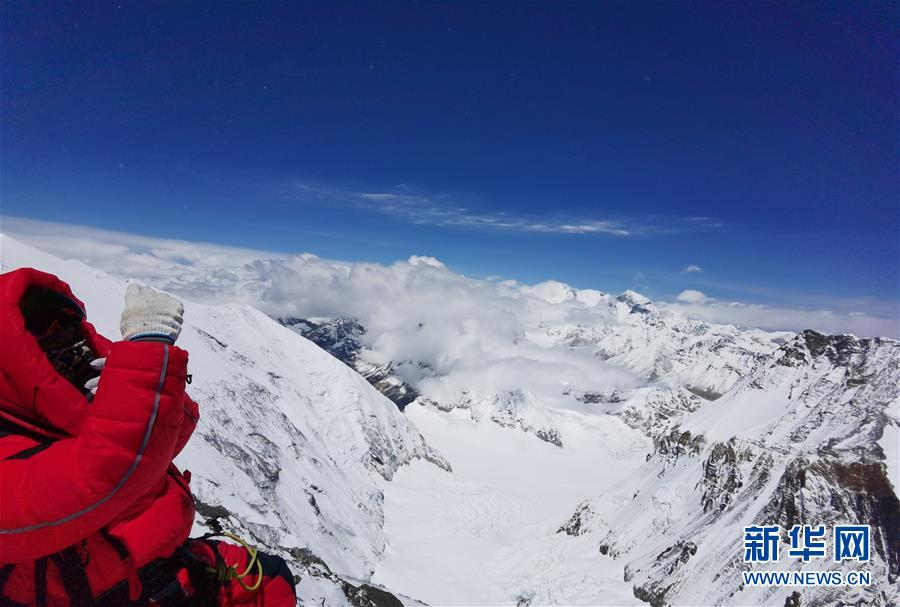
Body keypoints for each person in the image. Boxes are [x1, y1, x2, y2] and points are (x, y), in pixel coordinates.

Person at [0, 268, 297, 606]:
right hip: (112, 592)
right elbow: (102, 476)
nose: (69, 335)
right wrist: (147, 354)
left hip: (155, 565)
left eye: (70, 321)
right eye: (43, 326)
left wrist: (123, 378)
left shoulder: (64, 411)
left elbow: (176, 431)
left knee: (273, 581)